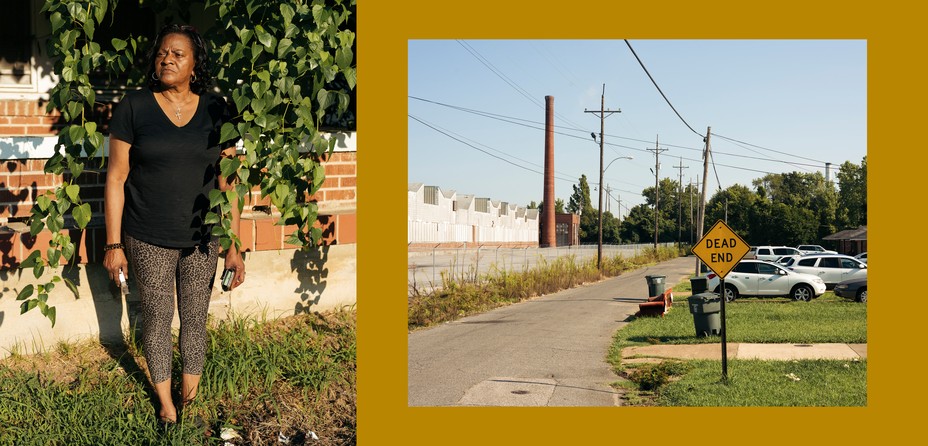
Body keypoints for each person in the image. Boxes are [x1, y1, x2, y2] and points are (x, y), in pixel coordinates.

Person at [103, 24, 245, 425]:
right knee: (157, 317)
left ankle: (191, 400)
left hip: (204, 237)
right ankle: (166, 406)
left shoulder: (219, 110)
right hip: (148, 234)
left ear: (195, 64)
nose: (167, 58)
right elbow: (115, 177)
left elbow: (228, 182)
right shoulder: (135, 107)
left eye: (178, 54)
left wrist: (235, 244)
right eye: (162, 52)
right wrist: (113, 245)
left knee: (196, 318)